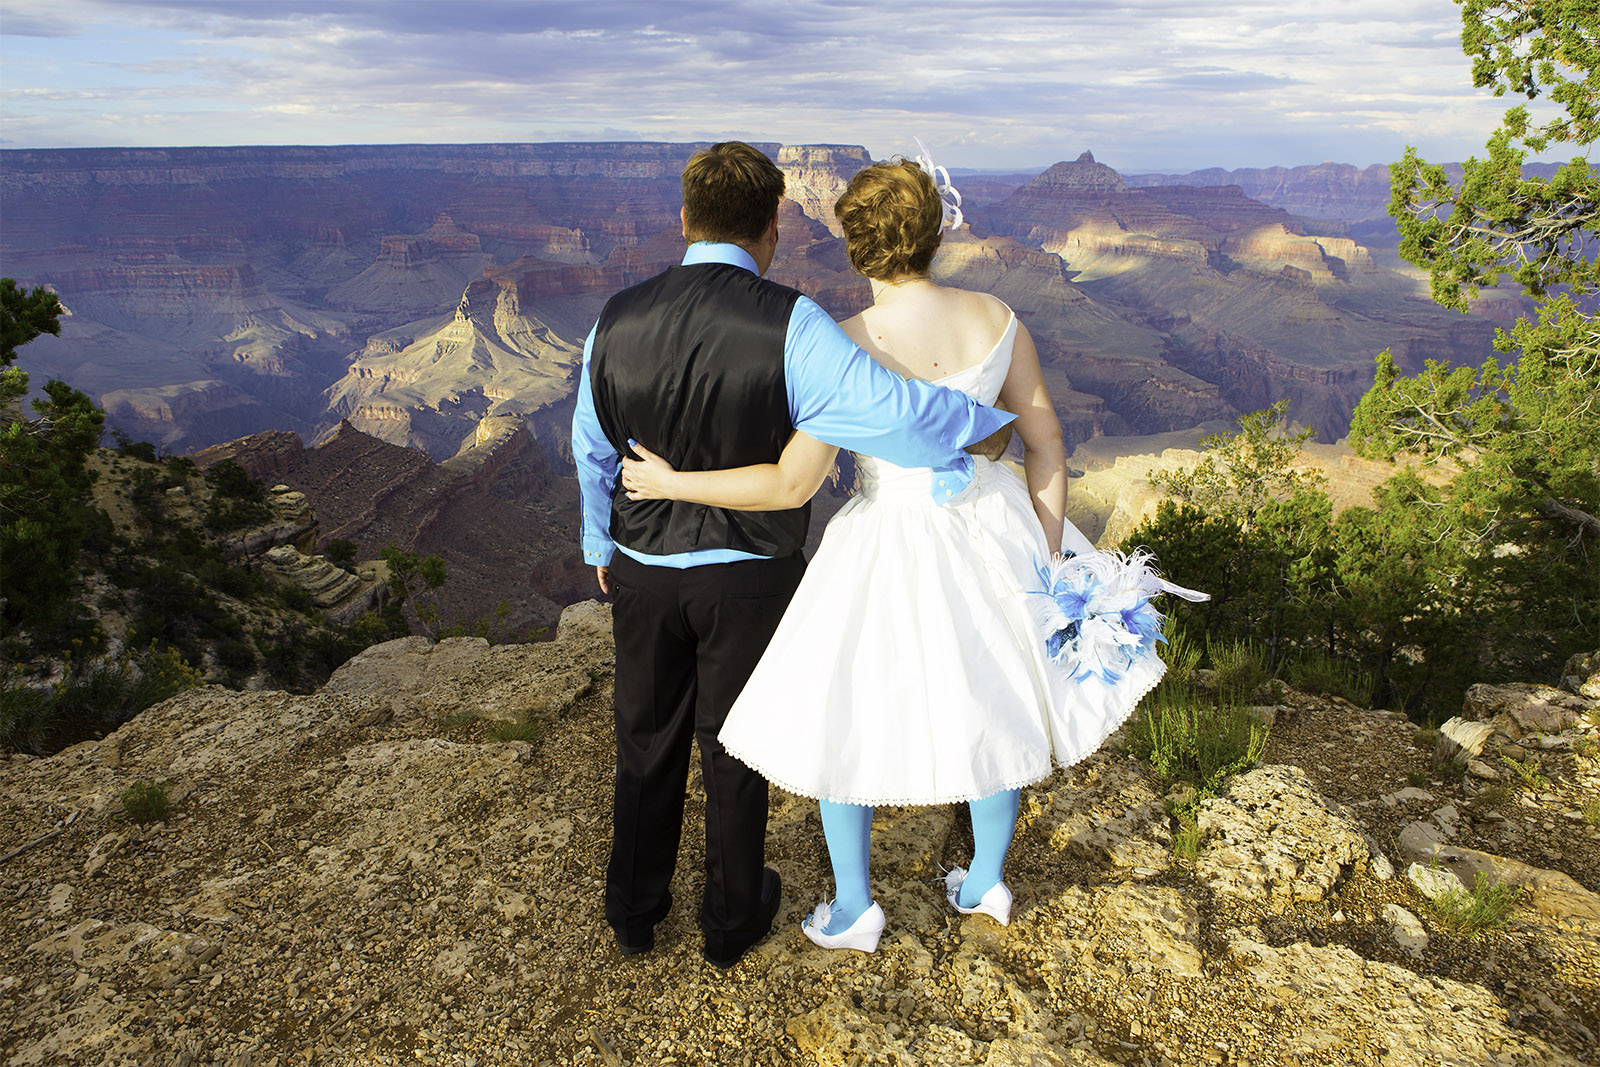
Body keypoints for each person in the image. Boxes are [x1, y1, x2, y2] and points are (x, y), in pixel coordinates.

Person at [618, 150, 1203, 953]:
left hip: (883, 537)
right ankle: (986, 876)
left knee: (844, 711)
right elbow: (1045, 440)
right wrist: (1047, 552)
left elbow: (795, 482)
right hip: (991, 526)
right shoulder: (998, 318)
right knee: (996, 700)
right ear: (936, 233)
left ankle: (856, 905)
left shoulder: (840, 341)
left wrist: (675, 483)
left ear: (854, 246)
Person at [570, 141, 1015, 969]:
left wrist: (601, 538)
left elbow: (590, 445)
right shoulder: (795, 324)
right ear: (773, 226)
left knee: (645, 737)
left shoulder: (614, 317)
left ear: (682, 221)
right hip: (747, 577)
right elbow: (894, 414)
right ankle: (732, 921)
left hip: (641, 568)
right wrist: (981, 421)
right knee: (735, 744)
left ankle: (635, 913)